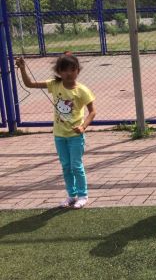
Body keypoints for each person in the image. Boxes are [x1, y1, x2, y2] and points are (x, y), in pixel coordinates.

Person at [15, 53, 96, 208]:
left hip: (75, 136)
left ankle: (83, 195)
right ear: (58, 72)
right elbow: (29, 84)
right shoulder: (54, 84)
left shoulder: (82, 90)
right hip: (59, 135)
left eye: (72, 69)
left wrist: (83, 126)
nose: (68, 73)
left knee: (76, 166)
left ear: (78, 71)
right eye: (64, 70)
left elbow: (92, 112)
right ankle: (71, 195)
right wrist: (23, 68)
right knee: (66, 166)